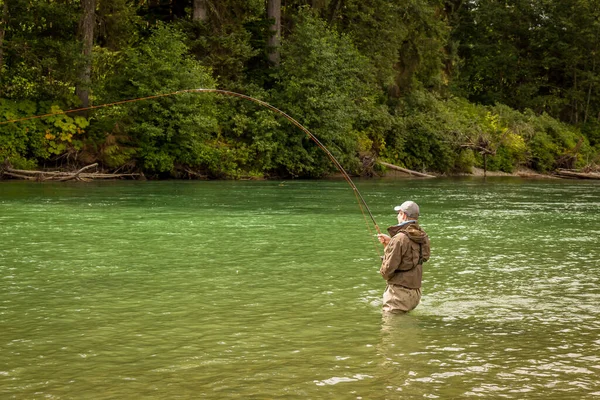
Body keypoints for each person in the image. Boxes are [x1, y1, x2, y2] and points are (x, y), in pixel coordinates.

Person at [377, 200, 430, 313]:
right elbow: (420, 257)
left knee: (391, 328)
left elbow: (386, 271)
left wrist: (390, 246)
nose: (397, 216)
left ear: (403, 215)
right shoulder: (422, 235)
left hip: (398, 295)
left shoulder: (399, 239)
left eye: (399, 213)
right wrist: (390, 243)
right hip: (415, 293)